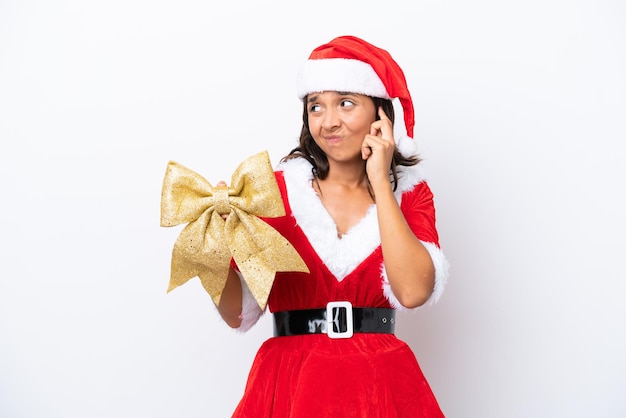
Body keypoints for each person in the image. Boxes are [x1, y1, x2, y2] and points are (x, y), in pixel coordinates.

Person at [217, 35, 449, 417]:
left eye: (345, 103)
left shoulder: (411, 195)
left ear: (380, 115)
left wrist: (380, 182)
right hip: (289, 383)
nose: (329, 122)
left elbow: (412, 292)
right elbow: (238, 312)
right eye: (316, 107)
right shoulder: (273, 193)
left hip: (381, 383)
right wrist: (214, 248)